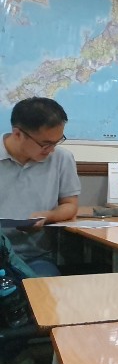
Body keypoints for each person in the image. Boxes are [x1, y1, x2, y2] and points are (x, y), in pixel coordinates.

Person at [0, 97, 80, 277]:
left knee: (44, 290)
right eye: (45, 144)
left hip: (36, 257)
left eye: (57, 142)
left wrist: (48, 216)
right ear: (17, 134)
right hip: (1, 252)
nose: (51, 150)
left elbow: (70, 205)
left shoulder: (62, 159)